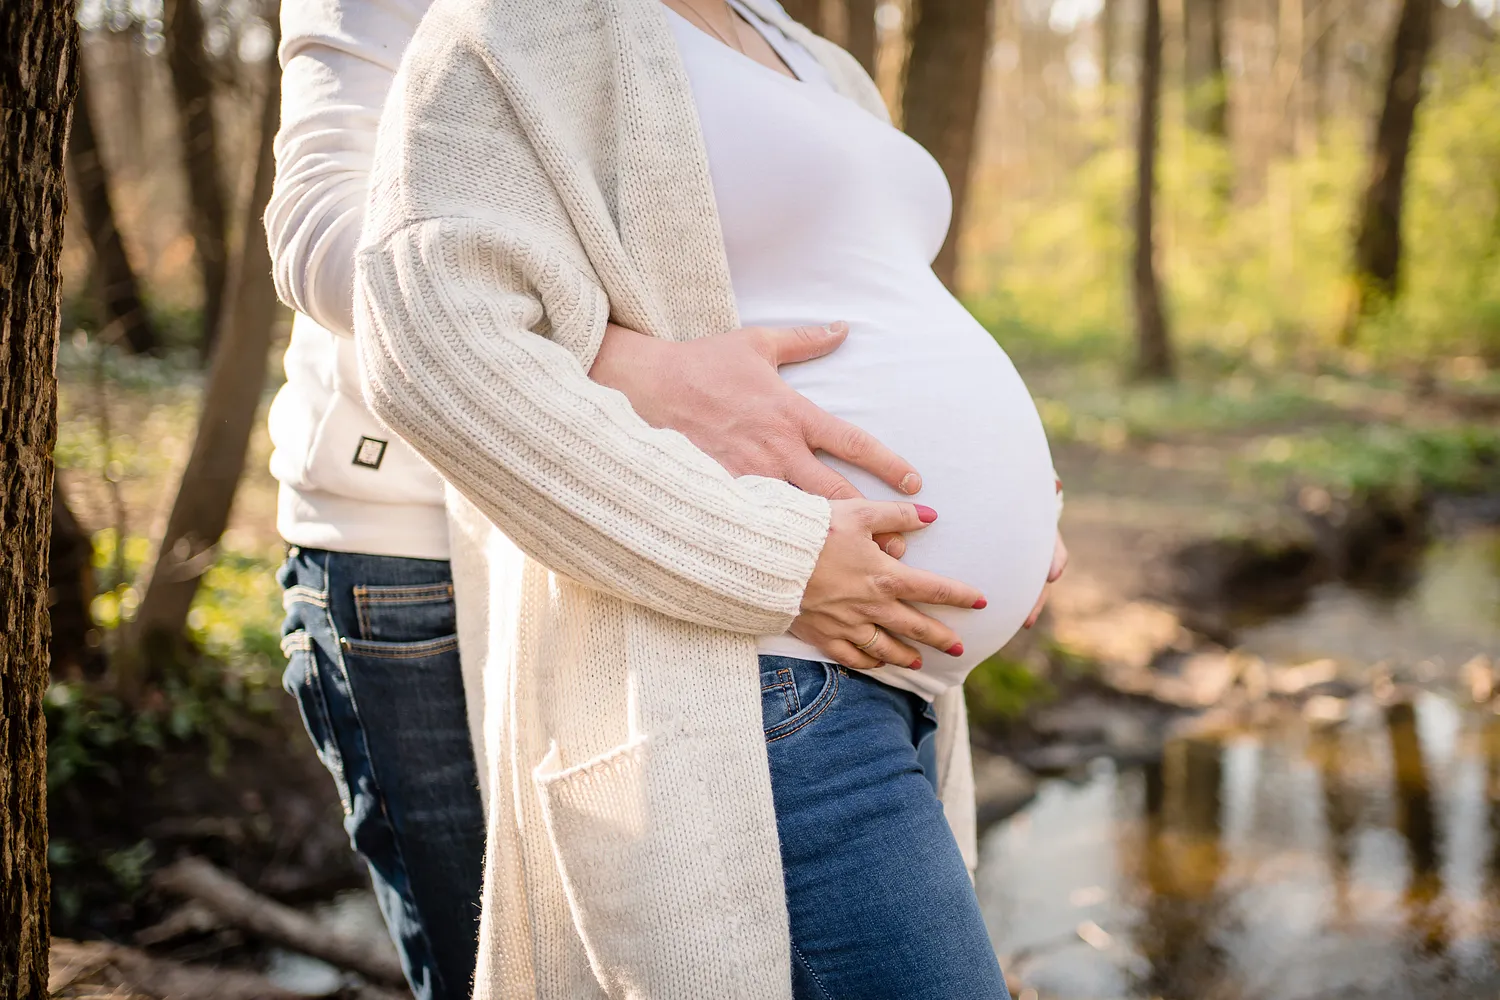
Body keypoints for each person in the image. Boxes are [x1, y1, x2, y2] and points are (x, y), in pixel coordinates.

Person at [265, 0, 1054, 996]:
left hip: (852, 649)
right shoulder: (517, 25)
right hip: (476, 549)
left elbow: (852, 276)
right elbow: (385, 278)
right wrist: (632, 370)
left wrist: (1012, 487)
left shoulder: (791, 41)